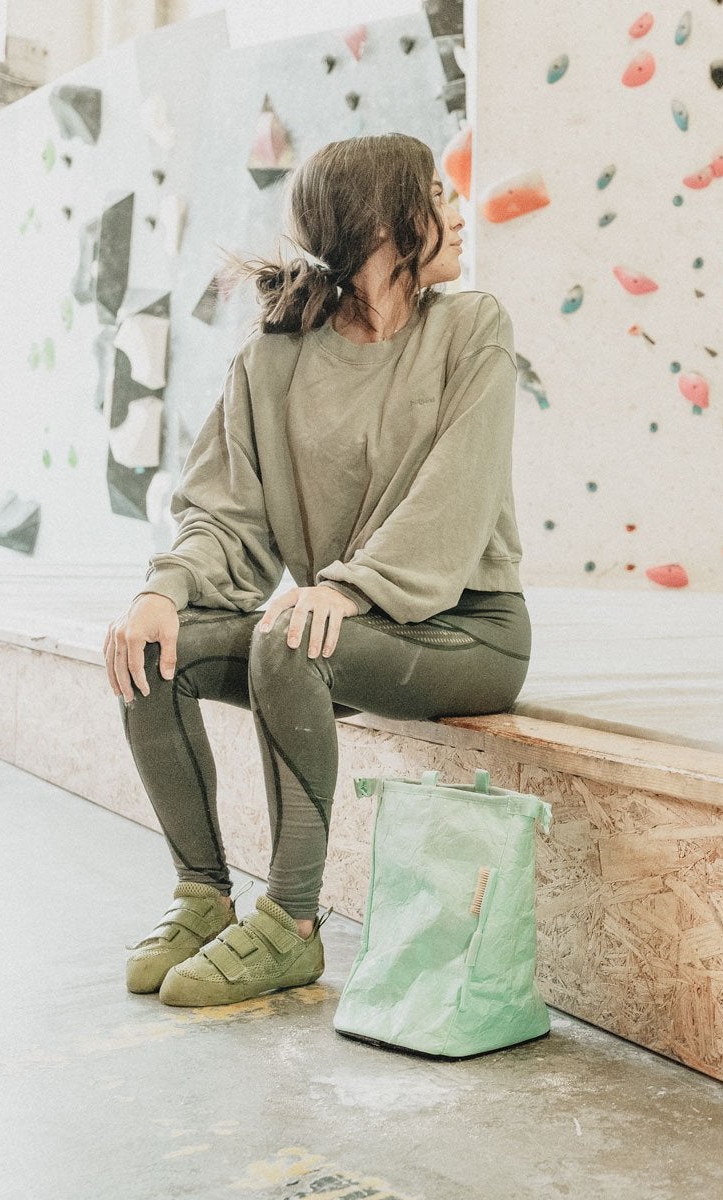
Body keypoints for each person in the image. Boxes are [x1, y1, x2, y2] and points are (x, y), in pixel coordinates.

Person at [104, 133, 529, 1008]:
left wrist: (346, 586)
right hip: (340, 625)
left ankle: (292, 924)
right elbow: (223, 512)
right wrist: (163, 589)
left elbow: (456, 496)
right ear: (381, 223)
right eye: (437, 194)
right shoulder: (273, 359)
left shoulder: (473, 326)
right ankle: (203, 899)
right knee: (154, 650)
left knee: (287, 642)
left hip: (465, 629)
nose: (458, 211)